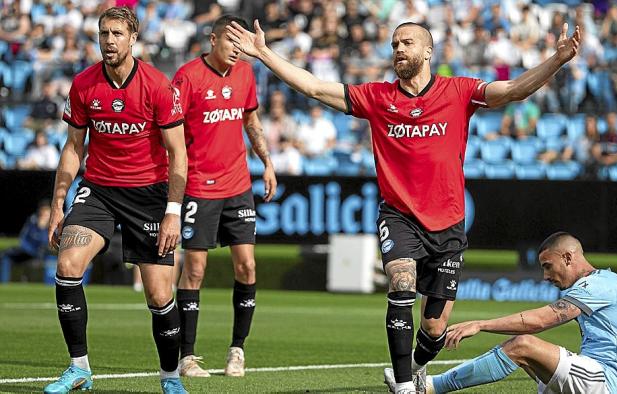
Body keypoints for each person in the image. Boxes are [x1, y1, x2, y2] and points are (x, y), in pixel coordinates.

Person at [226, 19, 580, 394]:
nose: (398, 49)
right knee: (401, 281)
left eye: (407, 43)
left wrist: (556, 60)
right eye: (395, 43)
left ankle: (414, 366)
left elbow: (512, 90)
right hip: (399, 216)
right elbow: (314, 87)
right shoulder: (377, 97)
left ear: (428, 51)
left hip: (448, 223)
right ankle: (405, 386)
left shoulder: (458, 91)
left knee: (434, 329)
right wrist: (264, 53)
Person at [45, 7, 188, 394]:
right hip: (100, 189)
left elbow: (179, 154)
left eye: (117, 34)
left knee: (159, 295)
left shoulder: (158, 87)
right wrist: (59, 204)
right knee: (69, 263)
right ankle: (79, 369)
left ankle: (170, 377)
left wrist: (173, 212)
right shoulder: (84, 84)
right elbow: (74, 148)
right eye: (104, 34)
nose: (109, 41)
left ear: (133, 38)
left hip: (149, 195)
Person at [171, 15, 277, 379]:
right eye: (230, 41)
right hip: (199, 186)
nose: (236, 48)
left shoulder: (245, 74)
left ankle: (237, 350)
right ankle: (186, 357)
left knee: (247, 266)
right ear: (213, 39)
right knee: (194, 269)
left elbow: (252, 122)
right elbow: (169, 132)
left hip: (238, 186)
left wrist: (267, 162)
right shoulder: (187, 76)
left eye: (241, 42)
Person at [424, 232, 617, 394]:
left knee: (523, 345)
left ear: (568, 257)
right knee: (528, 358)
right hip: (594, 377)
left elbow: (539, 321)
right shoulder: (604, 281)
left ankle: (431, 387)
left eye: (548, 266)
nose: (545, 277)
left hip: (604, 382)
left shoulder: (597, 286)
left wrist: (480, 324)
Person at [0, 199, 51, 283]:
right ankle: (3, 284)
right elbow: (23, 237)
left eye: (46, 211)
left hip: (41, 253)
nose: (44, 213)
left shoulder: (53, 224)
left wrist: (41, 228)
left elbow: (46, 242)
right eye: (42, 210)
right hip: (27, 251)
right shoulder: (33, 220)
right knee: (5, 256)